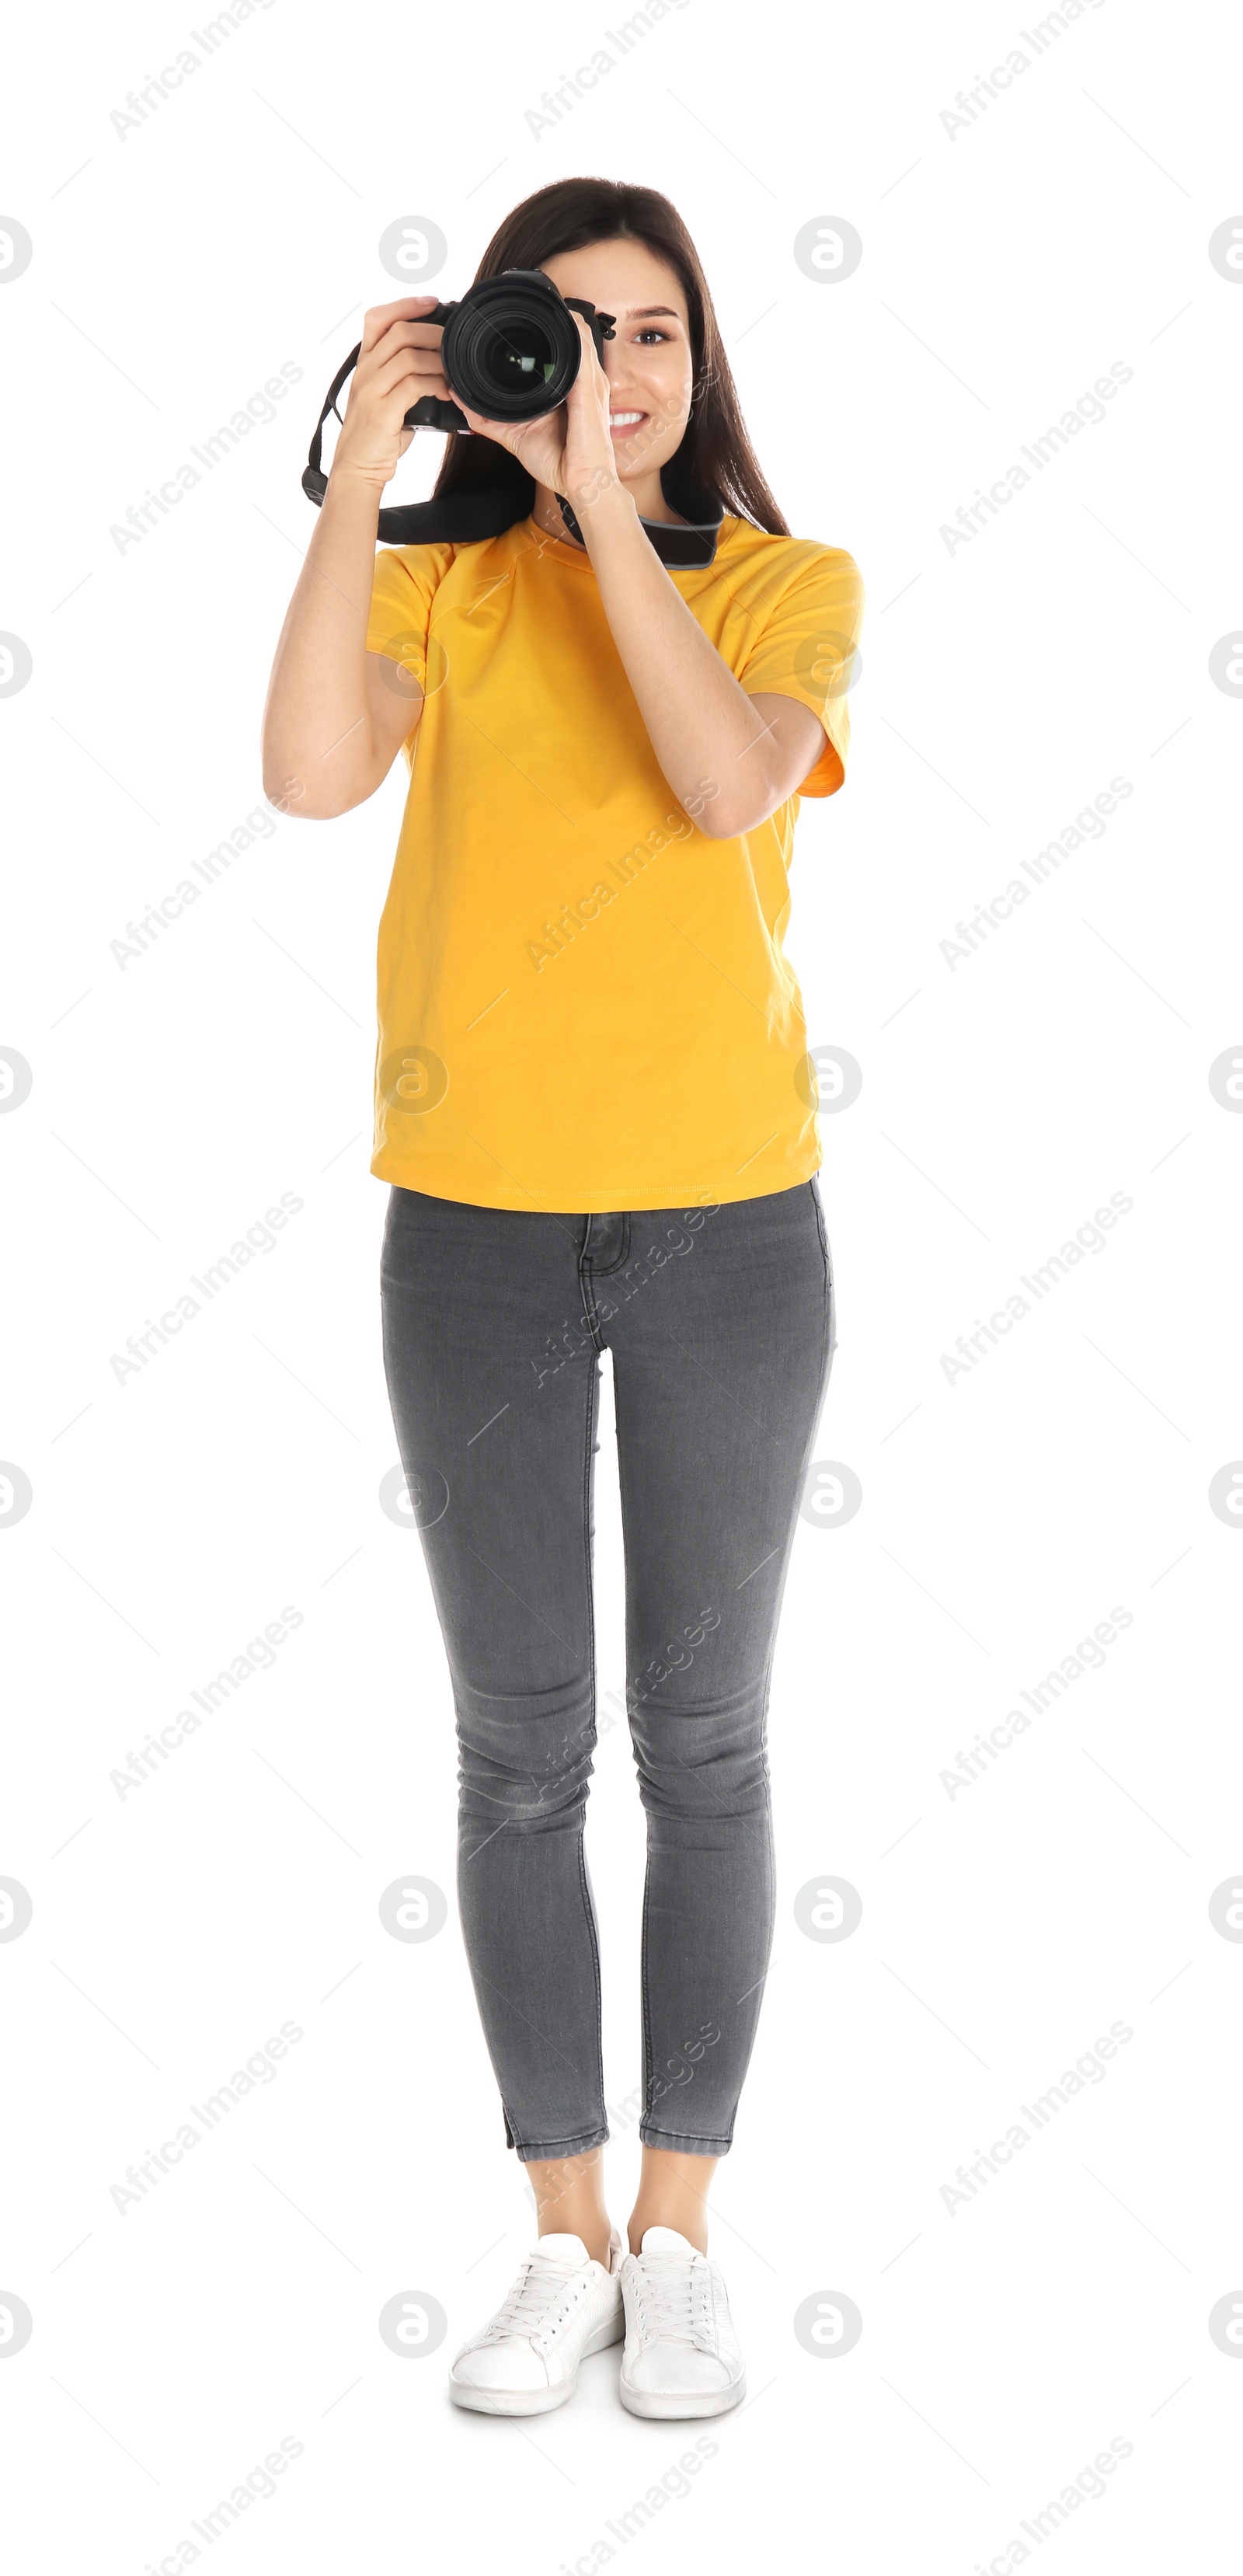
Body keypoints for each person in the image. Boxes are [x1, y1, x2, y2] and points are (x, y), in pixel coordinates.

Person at [261, 176, 862, 2422]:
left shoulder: (793, 584)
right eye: (567, 334)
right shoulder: (442, 585)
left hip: (731, 1231)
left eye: (656, 341)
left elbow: (723, 780)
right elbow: (308, 773)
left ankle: (685, 2238)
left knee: (704, 1749)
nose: (610, 377)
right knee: (521, 1759)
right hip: (478, 1234)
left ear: (703, 375)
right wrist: (374, 462)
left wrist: (607, 511)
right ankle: (563, 2236)